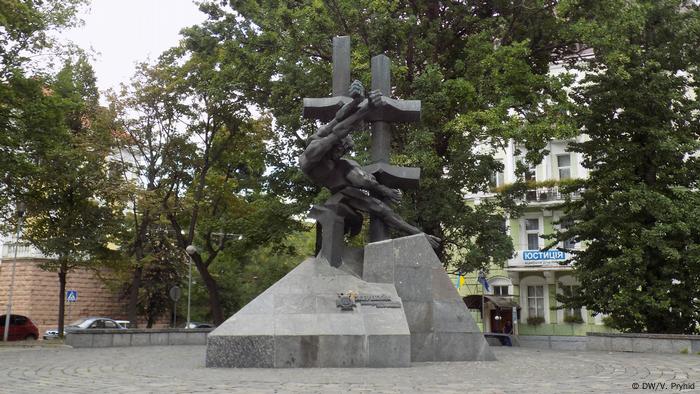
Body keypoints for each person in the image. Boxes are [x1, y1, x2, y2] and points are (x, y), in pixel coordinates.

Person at [300, 80, 440, 248]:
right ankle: (417, 233)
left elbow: (338, 120)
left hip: (341, 181)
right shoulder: (314, 150)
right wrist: (367, 109)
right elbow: (340, 129)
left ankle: (418, 232)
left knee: (363, 181)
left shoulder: (340, 159)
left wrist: (356, 102)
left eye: (345, 151)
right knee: (375, 204)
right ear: (333, 145)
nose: (342, 154)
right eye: (340, 150)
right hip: (339, 188)